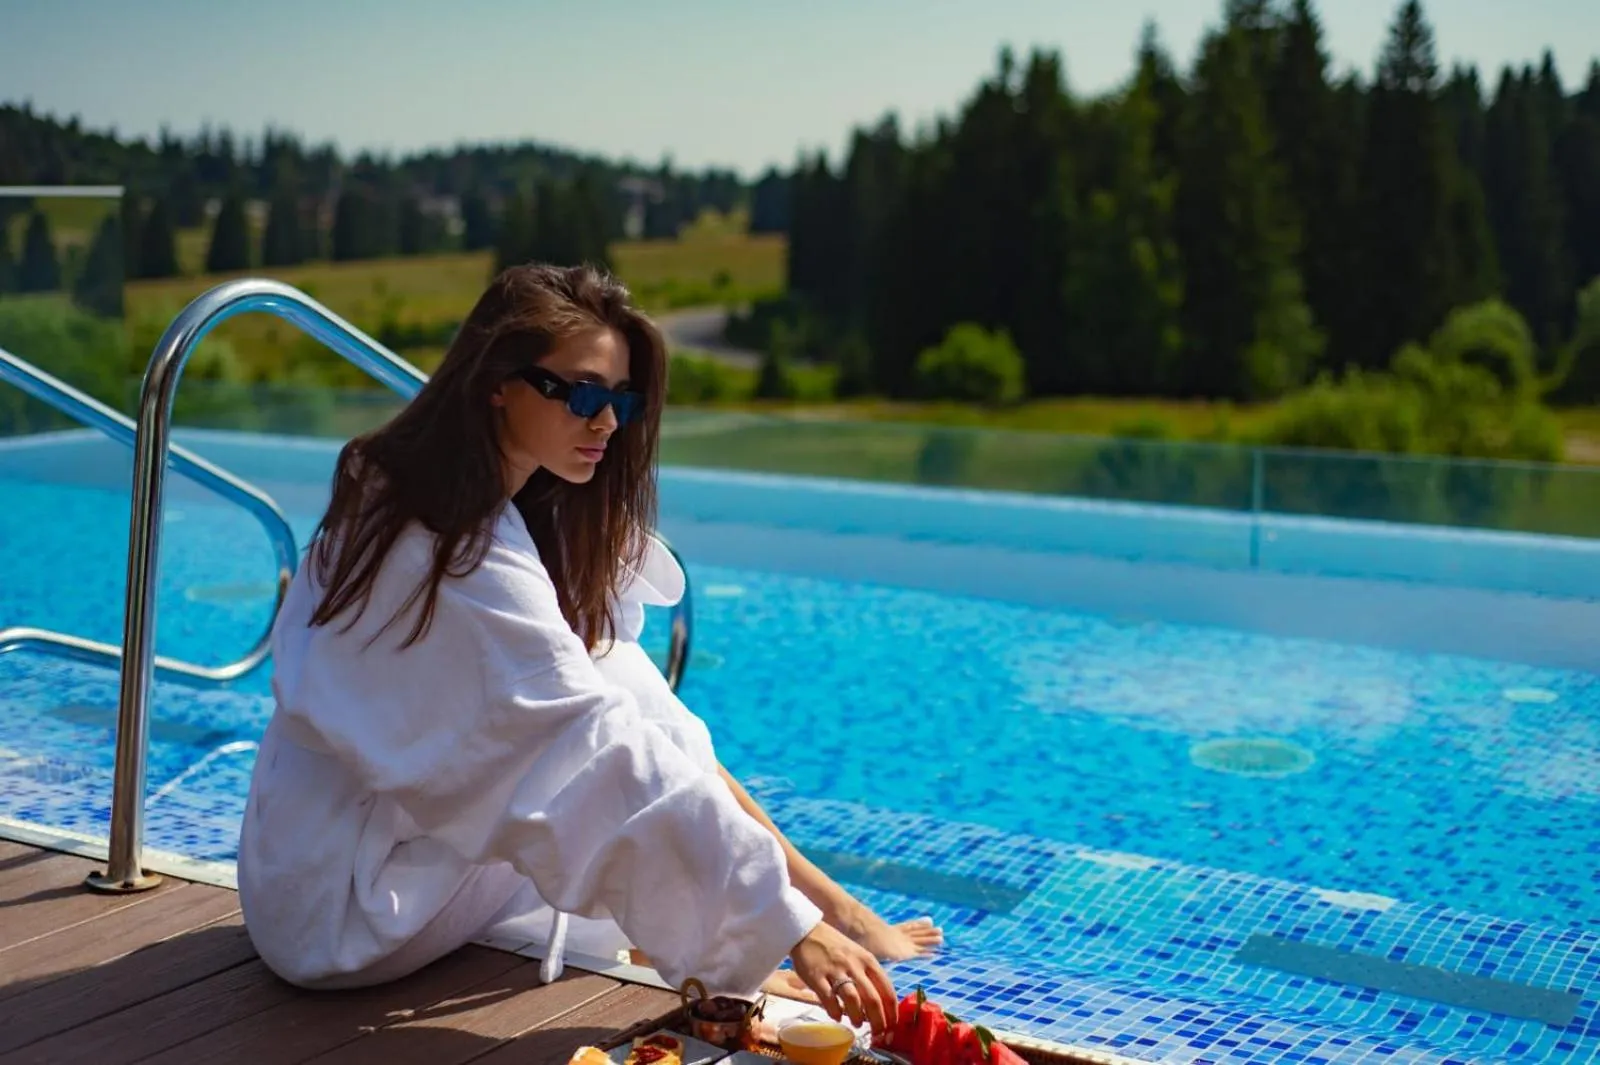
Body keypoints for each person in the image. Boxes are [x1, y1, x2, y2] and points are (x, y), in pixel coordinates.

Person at [236, 263, 940, 1037]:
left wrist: (778, 912)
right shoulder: (447, 551)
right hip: (346, 909)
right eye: (579, 393)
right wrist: (786, 925)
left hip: (306, 870)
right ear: (496, 382)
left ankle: (773, 922)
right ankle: (755, 949)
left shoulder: (431, 502)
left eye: (620, 399)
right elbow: (591, 759)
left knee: (613, 680)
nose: (606, 421)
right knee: (620, 711)